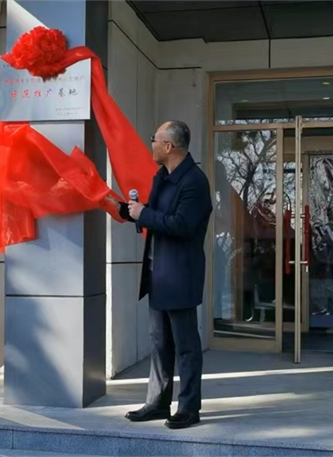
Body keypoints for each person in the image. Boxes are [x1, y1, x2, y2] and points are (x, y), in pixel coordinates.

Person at [112, 120, 212, 429]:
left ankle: (189, 407)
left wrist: (145, 214)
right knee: (159, 343)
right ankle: (157, 403)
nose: (151, 144)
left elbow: (182, 225)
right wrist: (129, 211)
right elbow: (155, 216)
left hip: (179, 274)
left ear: (169, 146)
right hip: (158, 273)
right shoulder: (162, 177)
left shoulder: (194, 181)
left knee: (186, 346)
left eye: (154, 139)